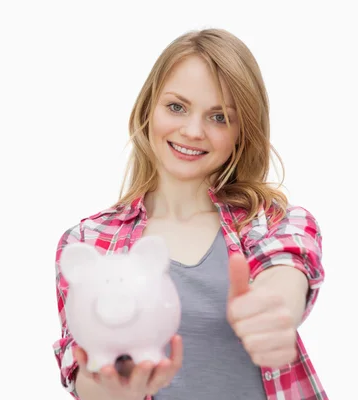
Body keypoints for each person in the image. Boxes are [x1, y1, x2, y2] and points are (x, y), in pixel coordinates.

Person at [52, 28, 327, 400]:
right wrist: (115, 389)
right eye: (177, 107)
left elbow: (285, 271)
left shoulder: (275, 222)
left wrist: (272, 312)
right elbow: (80, 366)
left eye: (219, 117)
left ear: (241, 132)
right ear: (148, 108)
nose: (193, 130)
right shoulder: (87, 242)